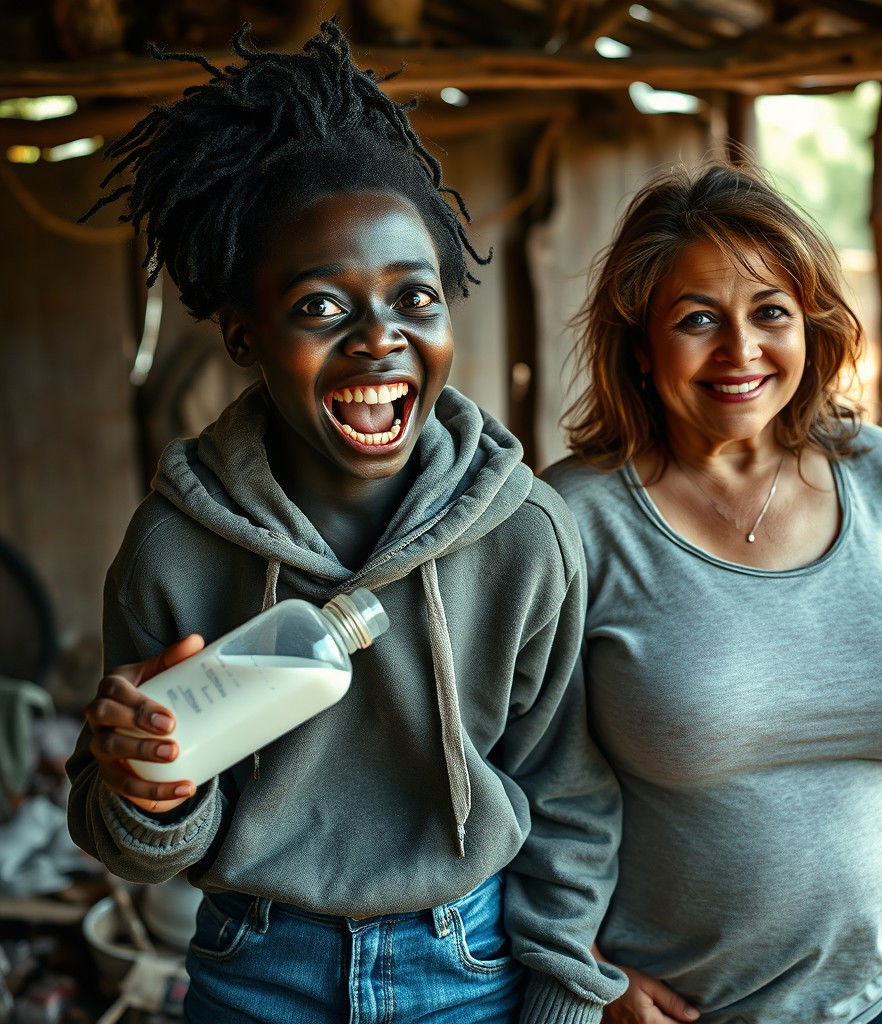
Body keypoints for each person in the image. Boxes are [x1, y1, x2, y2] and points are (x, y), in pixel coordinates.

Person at [65, 21, 625, 1024]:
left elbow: (568, 798)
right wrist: (150, 790)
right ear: (245, 334)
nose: (381, 339)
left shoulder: (524, 536)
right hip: (254, 967)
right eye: (323, 308)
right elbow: (125, 840)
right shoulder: (176, 550)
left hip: (472, 963)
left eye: (414, 297)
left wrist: (563, 1003)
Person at [543, 163, 882, 1024]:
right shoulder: (574, 520)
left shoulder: (879, 473)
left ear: (811, 326)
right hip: (679, 1010)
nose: (741, 351)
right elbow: (516, 780)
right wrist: (590, 976)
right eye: (696, 320)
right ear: (640, 346)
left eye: (770, 313)